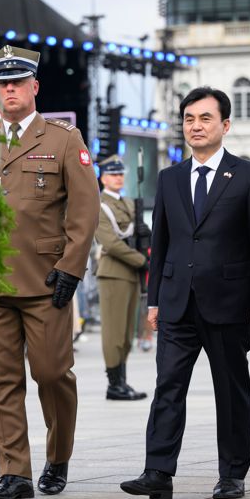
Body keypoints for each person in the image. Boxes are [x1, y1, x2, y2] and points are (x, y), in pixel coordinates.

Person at [120, 86, 250, 499]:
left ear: (225, 125)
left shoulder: (249, 176)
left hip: (228, 302)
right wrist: (153, 300)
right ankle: (157, 471)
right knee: (167, 385)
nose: (196, 126)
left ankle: (232, 474)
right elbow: (162, 244)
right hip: (176, 302)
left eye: (205, 118)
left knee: (230, 389)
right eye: (189, 119)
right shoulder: (170, 178)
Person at [0, 44, 99, 499]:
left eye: (17, 82)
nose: (9, 90)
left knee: (51, 374)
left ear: (34, 87)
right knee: (0, 379)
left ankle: (58, 455)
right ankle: (14, 472)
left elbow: (85, 208)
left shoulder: (63, 139)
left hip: (46, 281)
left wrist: (71, 267)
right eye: (2, 83)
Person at [95, 155, 149, 401]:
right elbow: (112, 243)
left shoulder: (128, 202)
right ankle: (113, 383)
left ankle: (122, 380)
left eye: (120, 174)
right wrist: (142, 261)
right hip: (114, 272)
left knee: (127, 332)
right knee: (114, 332)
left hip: (130, 275)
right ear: (103, 177)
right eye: (113, 174)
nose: (118, 178)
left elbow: (137, 236)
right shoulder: (99, 205)